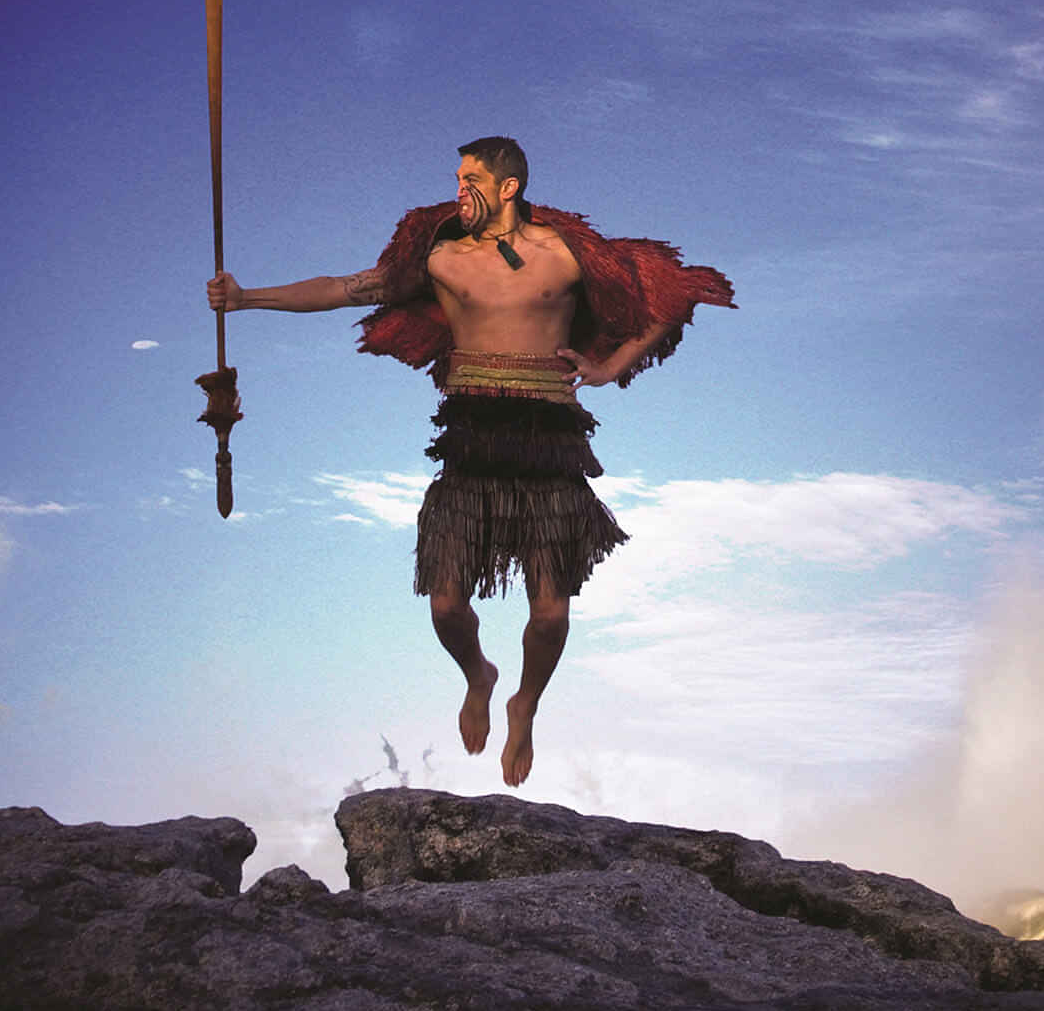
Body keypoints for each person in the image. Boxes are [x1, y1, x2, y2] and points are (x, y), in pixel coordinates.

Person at [207, 137, 733, 786]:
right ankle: (479, 674)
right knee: (446, 605)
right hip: (469, 441)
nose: (460, 190)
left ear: (509, 187)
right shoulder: (441, 258)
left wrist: (610, 367)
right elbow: (345, 289)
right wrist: (245, 297)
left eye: (472, 179)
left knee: (550, 615)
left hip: (550, 444)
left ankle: (525, 703)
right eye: (457, 178)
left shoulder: (567, 254)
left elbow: (672, 292)